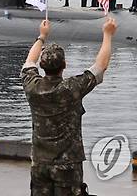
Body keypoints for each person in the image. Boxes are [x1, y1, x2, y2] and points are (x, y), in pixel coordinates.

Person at [21, 17, 116, 195]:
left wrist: (42, 36)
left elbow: (28, 62)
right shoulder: (71, 88)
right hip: (67, 166)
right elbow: (101, 66)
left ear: (42, 66)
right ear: (64, 65)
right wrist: (108, 34)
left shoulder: (32, 86)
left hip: (39, 164)